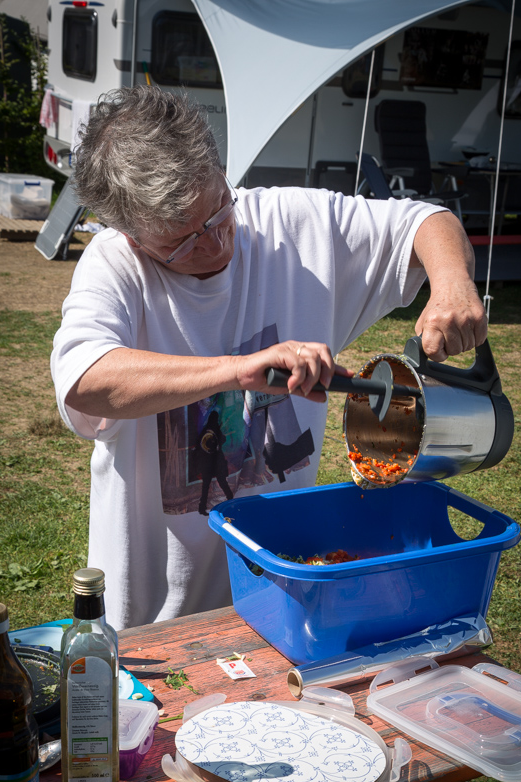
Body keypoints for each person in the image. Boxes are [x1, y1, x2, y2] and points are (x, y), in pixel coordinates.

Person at [51, 86, 487, 631]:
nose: (214, 244)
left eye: (217, 213)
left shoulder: (292, 225)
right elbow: (86, 379)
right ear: (132, 236)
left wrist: (450, 282)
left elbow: (425, 222)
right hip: (154, 621)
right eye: (181, 242)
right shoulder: (114, 267)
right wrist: (238, 372)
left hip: (279, 597)